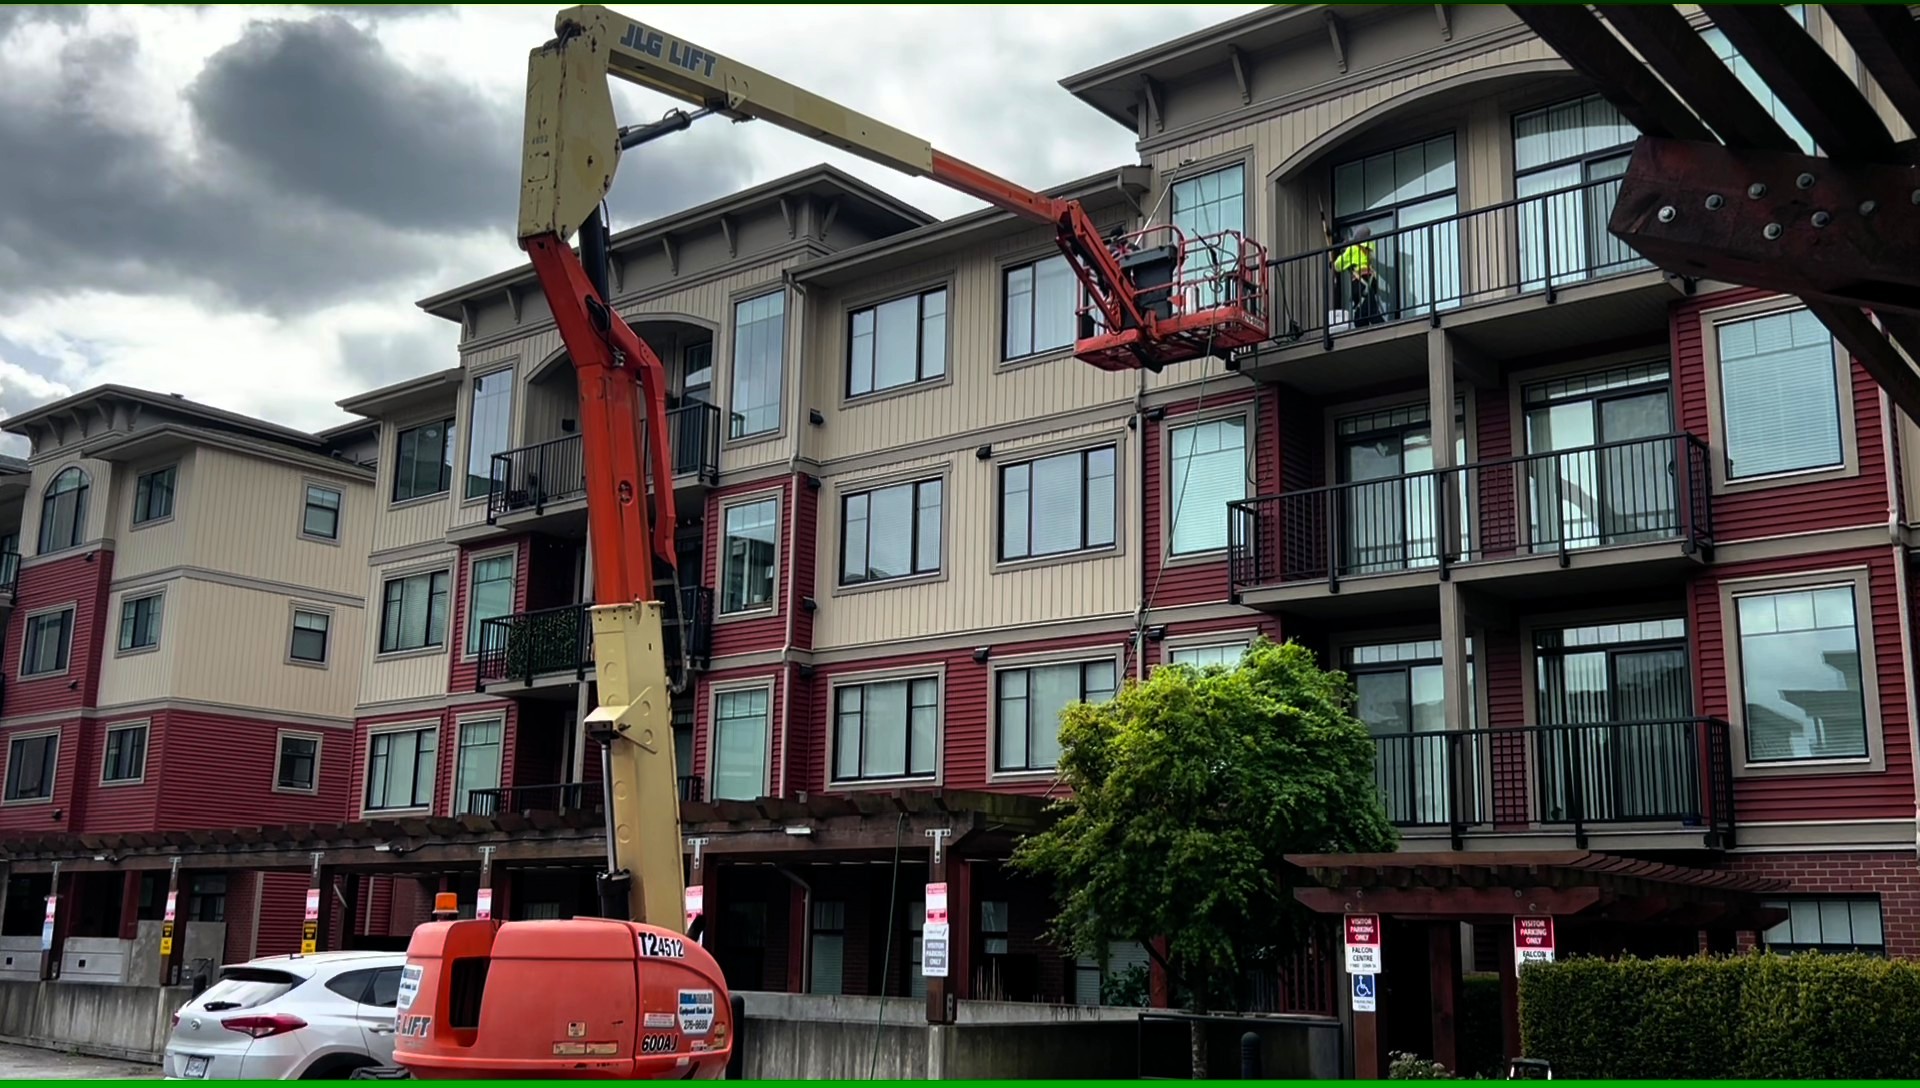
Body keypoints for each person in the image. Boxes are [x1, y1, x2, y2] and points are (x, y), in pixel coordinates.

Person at [1331, 225, 1383, 326]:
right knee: (1366, 309)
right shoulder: (1369, 248)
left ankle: (1383, 330)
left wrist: (1344, 252)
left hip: (1359, 283)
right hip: (1370, 281)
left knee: (1367, 311)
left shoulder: (1352, 249)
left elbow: (1338, 265)